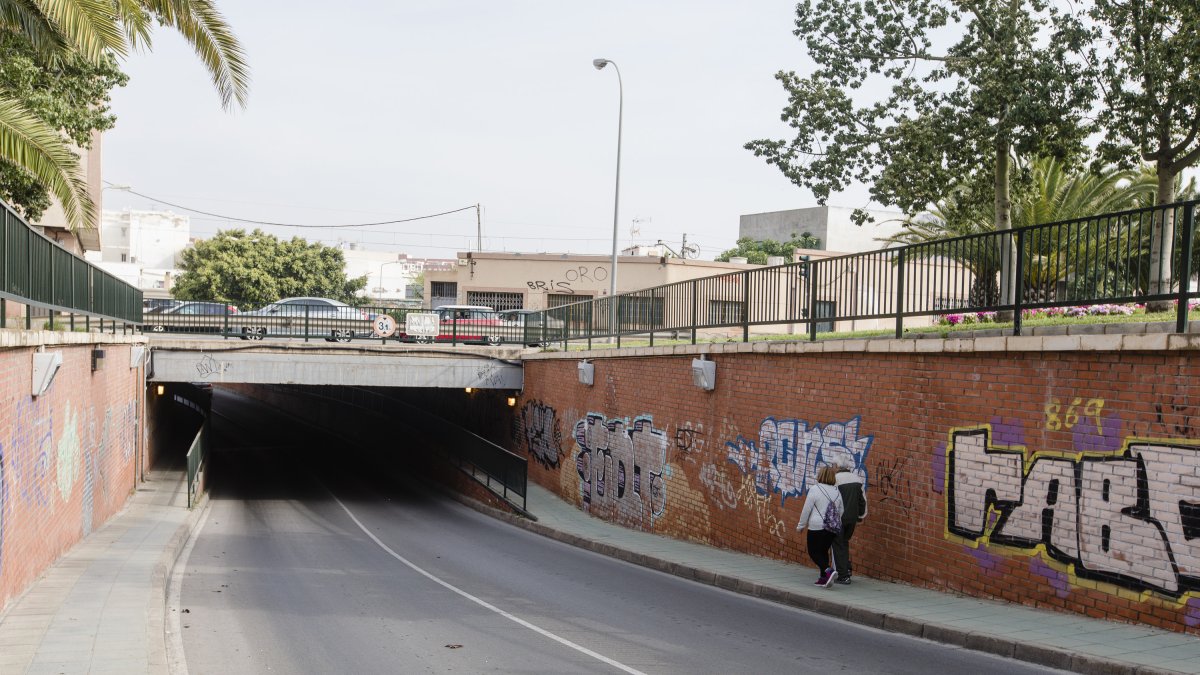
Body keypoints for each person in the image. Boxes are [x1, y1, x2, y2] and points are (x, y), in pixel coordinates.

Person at [797, 464, 844, 588]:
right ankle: (824, 578)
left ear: (820, 475)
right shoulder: (837, 491)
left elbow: (806, 509)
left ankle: (829, 571)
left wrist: (801, 525)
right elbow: (841, 510)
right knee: (823, 552)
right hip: (832, 528)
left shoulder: (815, 489)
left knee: (813, 552)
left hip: (817, 526)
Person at [832, 458, 868, 585]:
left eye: (833, 465)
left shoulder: (835, 480)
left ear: (837, 466)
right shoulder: (857, 479)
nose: (833, 467)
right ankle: (846, 568)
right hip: (852, 518)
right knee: (844, 543)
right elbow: (862, 500)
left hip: (838, 518)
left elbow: (831, 499)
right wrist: (861, 516)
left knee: (837, 544)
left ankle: (843, 575)